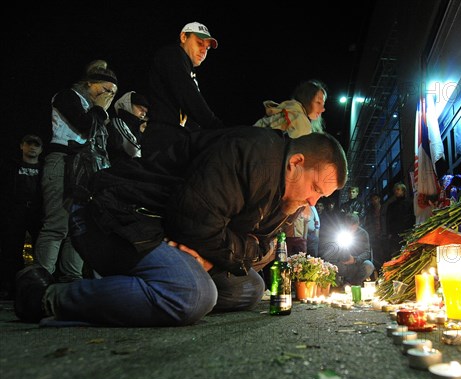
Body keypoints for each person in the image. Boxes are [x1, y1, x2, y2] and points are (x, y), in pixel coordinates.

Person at [14, 129, 348, 326]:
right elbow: (194, 220)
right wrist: (213, 248)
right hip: (113, 214)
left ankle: (148, 288)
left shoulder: (287, 197)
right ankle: (49, 298)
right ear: (297, 163)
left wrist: (212, 257)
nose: (314, 202)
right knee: (193, 294)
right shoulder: (253, 157)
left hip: (170, 231)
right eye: (317, 189)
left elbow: (262, 251)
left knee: (250, 288)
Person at [33, 60, 117, 282]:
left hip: (86, 167)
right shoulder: (67, 97)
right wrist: (99, 109)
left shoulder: (97, 110)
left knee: (77, 226)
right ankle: (39, 282)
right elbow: (84, 124)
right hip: (63, 160)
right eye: (105, 89)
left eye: (113, 92)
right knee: (57, 224)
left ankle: (71, 280)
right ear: (90, 83)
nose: (109, 95)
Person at [142, 22, 225, 176]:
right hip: (164, 140)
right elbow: (189, 97)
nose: (203, 50)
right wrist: (218, 127)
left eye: (207, 48)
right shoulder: (172, 54)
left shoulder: (188, 68)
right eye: (199, 43)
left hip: (178, 141)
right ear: (183, 37)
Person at [0, 135, 44, 299]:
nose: (32, 147)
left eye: (36, 145)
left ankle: (39, 284)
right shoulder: (11, 166)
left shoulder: (45, 167)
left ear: (41, 149)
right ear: (22, 146)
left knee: (40, 247)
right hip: (15, 211)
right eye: (29, 144)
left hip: (36, 211)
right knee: (11, 249)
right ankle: (11, 287)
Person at [254, 79, 328, 138]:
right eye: (318, 102)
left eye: (323, 104)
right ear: (306, 99)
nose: (323, 109)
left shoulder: (287, 110)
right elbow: (301, 150)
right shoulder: (299, 119)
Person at [322, 213, 374, 287]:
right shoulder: (338, 232)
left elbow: (367, 253)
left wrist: (355, 259)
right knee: (329, 265)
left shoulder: (363, 234)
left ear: (358, 223)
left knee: (369, 266)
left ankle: (352, 283)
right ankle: (337, 285)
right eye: (348, 226)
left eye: (353, 227)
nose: (351, 229)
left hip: (357, 264)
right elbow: (330, 251)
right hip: (342, 264)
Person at [106, 91, 150, 163]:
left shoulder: (138, 127)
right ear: (128, 104)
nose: (143, 114)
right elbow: (133, 150)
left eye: (145, 112)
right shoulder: (118, 121)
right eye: (141, 109)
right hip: (119, 168)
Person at [386, 182, 415, 258]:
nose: (396, 191)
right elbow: (388, 220)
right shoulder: (391, 206)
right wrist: (389, 233)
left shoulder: (409, 203)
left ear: (403, 191)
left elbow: (412, 217)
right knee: (396, 253)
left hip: (407, 232)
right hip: (395, 234)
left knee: (407, 253)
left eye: (398, 189)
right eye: (395, 190)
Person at [364, 192, 383, 277]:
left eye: (375, 199)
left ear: (379, 199)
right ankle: (376, 274)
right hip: (374, 235)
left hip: (383, 234)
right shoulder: (370, 211)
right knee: (375, 255)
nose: (374, 201)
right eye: (372, 199)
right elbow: (368, 223)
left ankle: (382, 273)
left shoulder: (383, 208)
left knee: (383, 254)